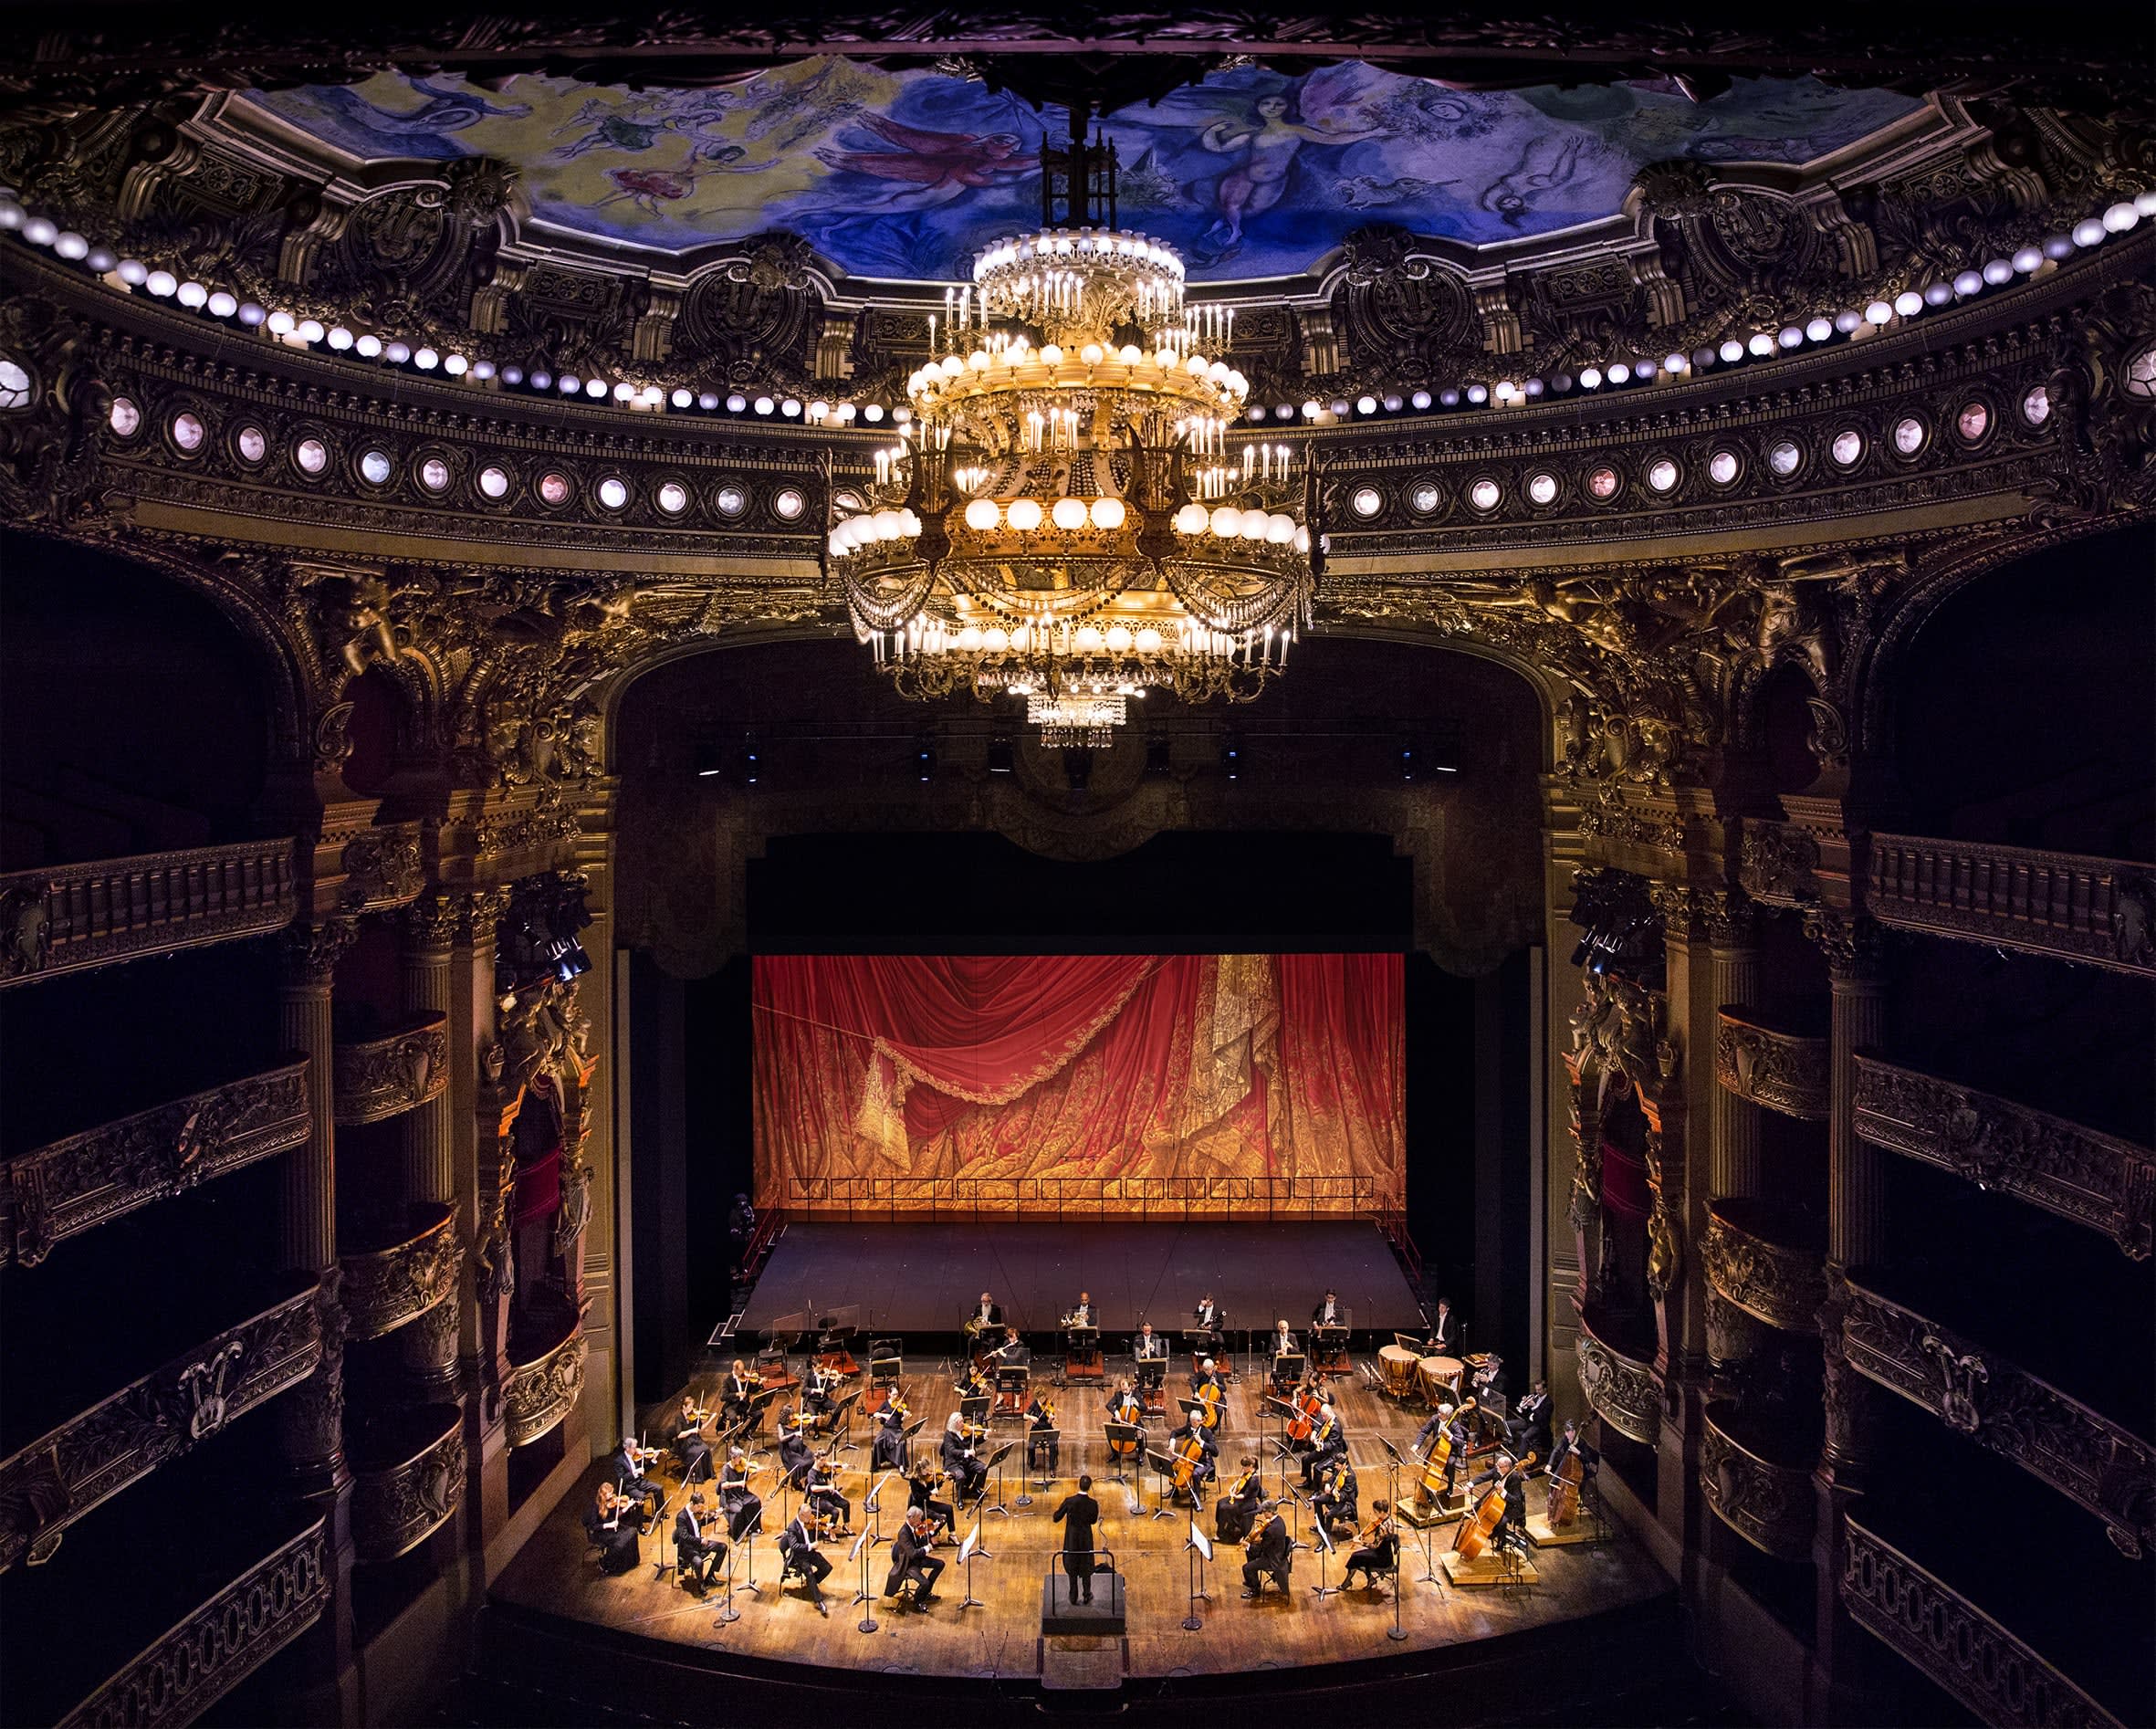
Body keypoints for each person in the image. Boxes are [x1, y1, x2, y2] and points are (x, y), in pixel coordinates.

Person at [1468, 1452, 1535, 1552]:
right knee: (1477, 1506)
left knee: (1501, 1521)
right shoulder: (1497, 1470)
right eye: (1497, 1466)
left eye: (1499, 1466)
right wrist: (1471, 1484)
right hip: (1497, 1501)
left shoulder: (1515, 1478)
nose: (1496, 1468)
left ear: (1507, 1468)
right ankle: (1485, 1533)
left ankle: (1501, 1542)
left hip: (1512, 1506)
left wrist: (1503, 1492)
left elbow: (1516, 1500)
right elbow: (1484, 1476)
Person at [1052, 1473, 1102, 1604]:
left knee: (1072, 1566)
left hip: (1072, 1539)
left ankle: (1073, 1597)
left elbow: (1056, 1518)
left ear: (1078, 1485)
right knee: (1086, 1565)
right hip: (1085, 1539)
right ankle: (1086, 1594)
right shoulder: (1093, 1503)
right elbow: (1093, 1521)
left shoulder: (1069, 1501)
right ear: (1089, 1487)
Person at [884, 1505, 945, 1607]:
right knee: (925, 1583)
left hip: (917, 1559)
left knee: (940, 1564)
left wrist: (932, 1531)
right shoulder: (903, 1533)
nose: (921, 1521)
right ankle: (918, 1602)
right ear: (911, 1518)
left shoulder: (915, 1528)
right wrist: (927, 1548)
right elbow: (912, 1554)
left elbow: (920, 1542)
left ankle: (925, 1593)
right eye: (919, 1518)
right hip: (908, 1564)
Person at [778, 1507, 832, 1615]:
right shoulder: (792, 1528)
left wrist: (826, 1529)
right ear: (801, 1515)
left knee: (827, 1567)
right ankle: (819, 1601)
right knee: (809, 1573)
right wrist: (810, 1546)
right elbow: (794, 1546)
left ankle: (811, 1584)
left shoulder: (809, 1523)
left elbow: (818, 1533)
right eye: (808, 1516)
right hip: (800, 1556)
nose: (811, 1518)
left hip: (811, 1553)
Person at [584, 1482, 643, 1576]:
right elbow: (593, 1526)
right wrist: (609, 1525)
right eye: (609, 1494)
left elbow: (617, 1515)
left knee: (633, 1532)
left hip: (613, 1526)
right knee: (620, 1544)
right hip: (602, 1532)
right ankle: (606, 1563)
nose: (612, 1496)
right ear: (603, 1495)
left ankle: (631, 1562)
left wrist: (627, 1506)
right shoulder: (595, 1506)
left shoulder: (612, 1501)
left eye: (612, 1493)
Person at [674, 1490, 727, 1593]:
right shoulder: (681, 1517)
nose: (700, 1510)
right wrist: (700, 1540)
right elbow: (684, 1536)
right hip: (687, 1548)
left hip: (699, 1544)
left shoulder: (696, 1512)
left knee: (722, 1547)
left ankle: (710, 1577)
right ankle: (700, 1583)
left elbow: (701, 1522)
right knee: (698, 1562)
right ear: (692, 1503)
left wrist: (714, 1517)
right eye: (698, 1507)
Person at [1344, 1500, 1397, 1591]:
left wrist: (1361, 1543)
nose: (1374, 1514)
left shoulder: (1383, 1528)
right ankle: (1368, 1579)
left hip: (1381, 1558)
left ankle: (1348, 1582)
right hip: (1386, 1554)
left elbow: (1375, 1546)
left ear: (1382, 1512)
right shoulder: (1389, 1519)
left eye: (1376, 1512)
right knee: (1358, 1557)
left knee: (1355, 1557)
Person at [1241, 1502, 1292, 1597]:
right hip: (1276, 1551)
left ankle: (1255, 1591)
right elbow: (1267, 1542)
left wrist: (1248, 1544)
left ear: (1270, 1512)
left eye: (1264, 1512)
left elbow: (1262, 1548)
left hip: (1272, 1558)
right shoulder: (1279, 1520)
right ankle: (1252, 1580)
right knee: (1250, 1553)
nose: (1263, 1514)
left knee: (1246, 1568)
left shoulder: (1271, 1529)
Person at [717, 1446, 764, 1540]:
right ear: (733, 1457)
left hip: (741, 1493)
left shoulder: (742, 1465)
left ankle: (754, 1527)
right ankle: (737, 1533)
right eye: (739, 1457)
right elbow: (723, 1485)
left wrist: (754, 1469)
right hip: (730, 1496)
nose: (741, 1459)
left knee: (756, 1501)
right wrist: (738, 1483)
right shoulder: (726, 1468)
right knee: (738, 1510)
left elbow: (747, 1475)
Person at [1215, 1456, 1264, 1544]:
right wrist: (1232, 1488)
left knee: (1223, 1508)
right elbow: (1239, 1481)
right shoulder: (1246, 1474)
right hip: (1240, 1498)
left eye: (1244, 1466)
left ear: (1251, 1466)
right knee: (1220, 1503)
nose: (1242, 1468)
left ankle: (1221, 1533)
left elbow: (1245, 1496)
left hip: (1247, 1503)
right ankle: (1222, 1526)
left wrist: (1234, 1495)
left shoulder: (1254, 1480)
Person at [940, 1411, 987, 1504]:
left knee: (983, 1468)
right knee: (960, 1476)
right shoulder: (948, 1435)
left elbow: (975, 1441)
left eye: (963, 1421)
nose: (964, 1424)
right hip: (954, 1463)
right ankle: (960, 1499)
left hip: (966, 1461)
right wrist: (967, 1452)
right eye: (961, 1422)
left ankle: (975, 1489)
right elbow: (952, 1451)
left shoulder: (966, 1432)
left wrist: (984, 1437)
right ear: (954, 1424)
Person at [905, 1459, 957, 1541]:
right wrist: (930, 1493)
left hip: (927, 1504)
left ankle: (952, 1534)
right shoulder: (913, 1480)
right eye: (926, 1469)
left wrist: (942, 1481)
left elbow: (932, 1487)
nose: (929, 1471)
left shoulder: (926, 1477)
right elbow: (917, 1496)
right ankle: (929, 1536)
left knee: (949, 1508)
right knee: (942, 1519)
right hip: (919, 1507)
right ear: (921, 1469)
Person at [612, 1437, 664, 1517]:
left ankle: (660, 1514)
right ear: (627, 1448)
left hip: (640, 1482)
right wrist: (635, 1472)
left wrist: (653, 1459)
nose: (636, 1450)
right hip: (629, 1486)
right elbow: (622, 1478)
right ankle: (639, 1524)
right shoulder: (619, 1461)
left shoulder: (637, 1456)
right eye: (634, 1448)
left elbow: (645, 1469)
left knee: (659, 1488)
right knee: (640, 1497)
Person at [1300, 1403, 1346, 1488]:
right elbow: (1319, 1425)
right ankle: (1308, 1481)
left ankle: (1316, 1491)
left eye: (1324, 1416)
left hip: (1333, 1454)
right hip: (1323, 1450)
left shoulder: (1336, 1427)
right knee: (1305, 1459)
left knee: (1317, 1468)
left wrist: (1319, 1443)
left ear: (1330, 1413)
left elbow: (1331, 1445)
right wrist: (1314, 1433)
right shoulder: (1327, 1419)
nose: (1323, 1418)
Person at [804, 1451, 852, 1534]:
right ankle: (830, 1531)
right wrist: (828, 1487)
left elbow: (832, 1475)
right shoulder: (811, 1473)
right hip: (818, 1499)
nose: (824, 1462)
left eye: (825, 1460)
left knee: (846, 1504)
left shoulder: (823, 1468)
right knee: (835, 1512)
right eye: (822, 1460)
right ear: (816, 1459)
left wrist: (841, 1468)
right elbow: (813, 1488)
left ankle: (846, 1525)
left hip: (827, 1495)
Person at [669, 1392, 712, 1483]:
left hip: (694, 1439)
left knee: (706, 1449)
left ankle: (706, 1474)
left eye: (692, 1406)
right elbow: (680, 1435)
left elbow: (701, 1428)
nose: (692, 1409)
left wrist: (708, 1420)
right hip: (683, 1443)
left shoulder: (693, 1415)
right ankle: (696, 1476)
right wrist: (691, 1431)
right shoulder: (679, 1418)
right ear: (684, 1407)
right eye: (690, 1407)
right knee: (697, 1453)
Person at [1311, 1457, 1359, 1536]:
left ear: (1344, 1465)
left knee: (1330, 1514)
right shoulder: (1339, 1469)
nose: (1335, 1467)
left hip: (1346, 1502)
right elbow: (1332, 1478)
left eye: (1337, 1465)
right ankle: (1321, 1527)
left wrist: (1334, 1493)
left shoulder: (1351, 1476)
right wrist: (1328, 1484)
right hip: (1335, 1496)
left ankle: (1326, 1537)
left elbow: (1345, 1495)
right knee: (1317, 1500)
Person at [1508, 1377, 1553, 1457]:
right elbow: (1527, 1413)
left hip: (1539, 1425)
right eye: (1536, 1389)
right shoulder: (1535, 1397)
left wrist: (1535, 1406)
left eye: (1539, 1390)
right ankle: (1511, 1447)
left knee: (1524, 1437)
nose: (1537, 1392)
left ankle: (1519, 1459)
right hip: (1528, 1422)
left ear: (1545, 1389)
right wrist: (1524, 1406)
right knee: (1508, 1425)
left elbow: (1542, 1419)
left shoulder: (1549, 1403)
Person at [872, 1388, 912, 1472]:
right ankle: (877, 1464)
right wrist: (884, 1415)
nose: (896, 1397)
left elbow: (901, 1419)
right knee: (876, 1442)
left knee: (901, 1442)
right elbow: (875, 1414)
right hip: (886, 1429)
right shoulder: (886, 1403)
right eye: (894, 1394)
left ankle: (901, 1466)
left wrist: (905, 1416)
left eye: (897, 1394)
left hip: (897, 1430)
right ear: (889, 1394)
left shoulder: (900, 1404)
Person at [777, 1412, 815, 1489]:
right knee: (801, 1464)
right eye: (791, 1416)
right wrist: (794, 1434)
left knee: (812, 1459)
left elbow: (803, 1432)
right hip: (788, 1451)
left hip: (800, 1448)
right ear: (786, 1417)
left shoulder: (797, 1423)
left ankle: (809, 1479)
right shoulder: (781, 1426)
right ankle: (795, 1480)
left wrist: (811, 1424)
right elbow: (782, 1439)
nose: (794, 1417)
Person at [1025, 1392, 1060, 1473]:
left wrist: (1051, 1419)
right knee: (1031, 1446)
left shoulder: (1049, 1403)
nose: (1043, 1400)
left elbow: (1048, 1422)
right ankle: (1032, 1464)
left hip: (1047, 1428)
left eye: (1044, 1397)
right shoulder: (1034, 1404)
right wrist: (1031, 1417)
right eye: (1041, 1398)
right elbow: (1024, 1416)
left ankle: (1052, 1468)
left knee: (1052, 1444)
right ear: (1037, 1398)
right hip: (1036, 1429)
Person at [721, 1357, 755, 1425]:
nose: (743, 1372)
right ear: (735, 1370)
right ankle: (734, 1435)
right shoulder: (727, 1380)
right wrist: (737, 1394)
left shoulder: (745, 1378)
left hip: (744, 1404)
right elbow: (723, 1397)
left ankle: (746, 1431)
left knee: (758, 1413)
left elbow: (752, 1390)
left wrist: (759, 1383)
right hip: (732, 1405)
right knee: (733, 1418)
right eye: (741, 1371)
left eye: (743, 1370)